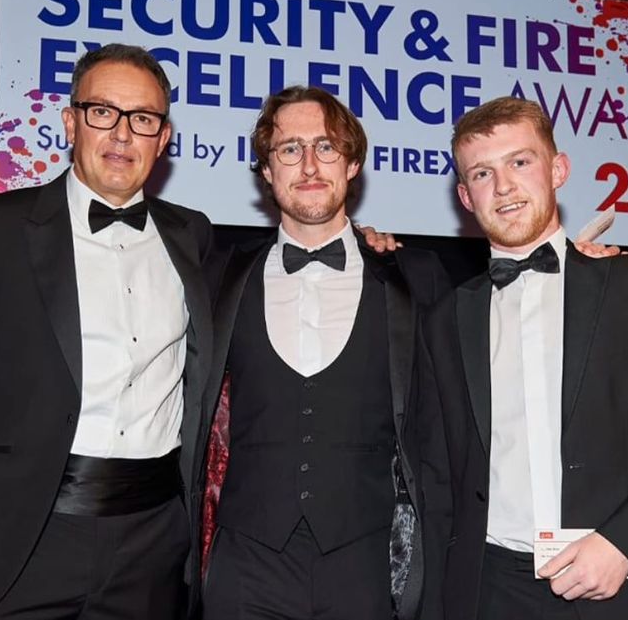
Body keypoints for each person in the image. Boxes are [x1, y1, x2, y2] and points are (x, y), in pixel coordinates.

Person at [0, 44, 214, 620]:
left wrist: (360, 240)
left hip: (153, 548)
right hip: (20, 540)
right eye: (102, 112)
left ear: (163, 139)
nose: (121, 134)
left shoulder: (194, 236)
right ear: (70, 121)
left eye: (142, 119)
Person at [419, 97, 628, 620]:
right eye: (483, 173)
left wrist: (623, 543)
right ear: (465, 195)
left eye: (521, 162)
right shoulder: (444, 318)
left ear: (559, 169)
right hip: (494, 593)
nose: (503, 186)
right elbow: (438, 476)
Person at [193, 86, 451, 620]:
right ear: (267, 169)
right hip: (245, 565)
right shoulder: (218, 276)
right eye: (290, 149)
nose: (309, 164)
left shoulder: (413, 276)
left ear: (353, 163)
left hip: (370, 565)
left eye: (327, 147)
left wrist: (580, 261)